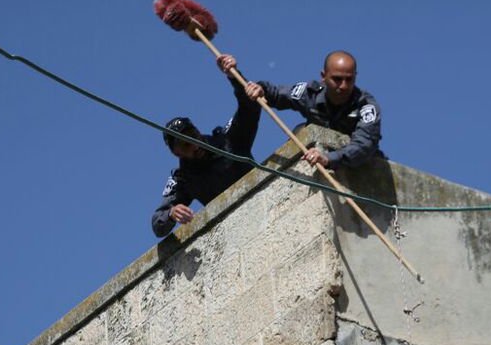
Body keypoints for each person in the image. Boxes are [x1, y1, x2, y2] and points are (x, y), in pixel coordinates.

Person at [150, 55, 261, 237]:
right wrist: (172, 213)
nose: (195, 146)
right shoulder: (183, 179)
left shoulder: (227, 140)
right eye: (186, 145)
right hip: (235, 232)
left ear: (198, 130)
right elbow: (157, 223)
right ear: (175, 153)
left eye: (194, 136)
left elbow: (250, 106)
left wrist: (234, 75)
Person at [245, 51, 381, 170]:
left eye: (349, 79)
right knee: (300, 130)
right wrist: (261, 89)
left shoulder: (365, 106)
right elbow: (276, 94)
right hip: (316, 154)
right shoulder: (311, 93)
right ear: (324, 76)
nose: (343, 86)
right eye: (337, 79)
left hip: (356, 164)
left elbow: (364, 145)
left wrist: (329, 159)